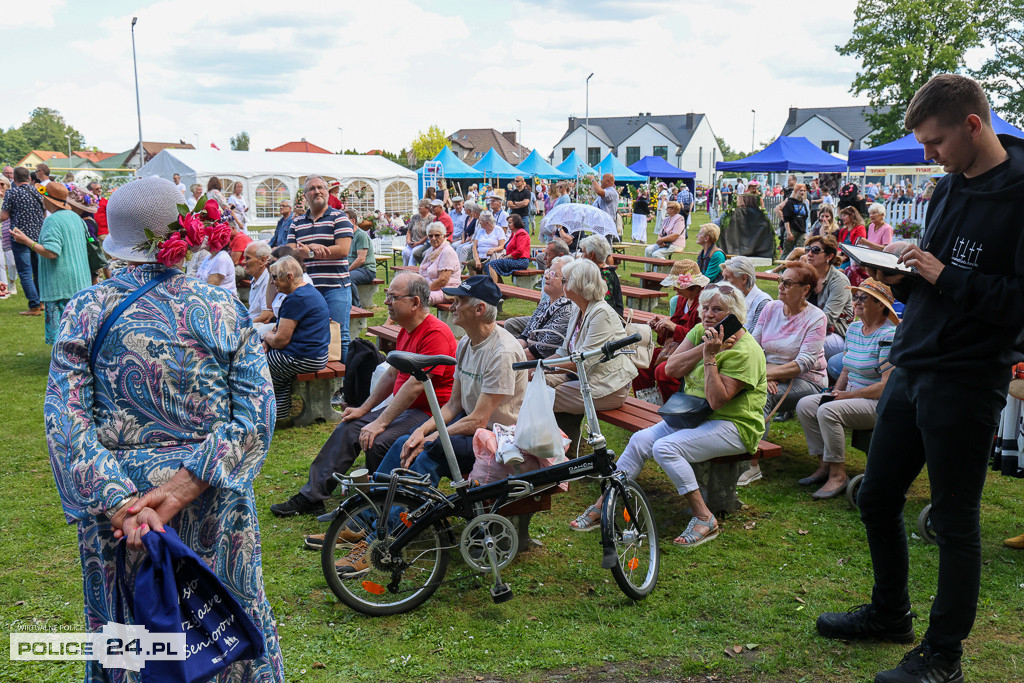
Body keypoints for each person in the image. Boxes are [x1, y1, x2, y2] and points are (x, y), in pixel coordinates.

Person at [816, 74, 1024, 683]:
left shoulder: (1018, 195)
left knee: (955, 520)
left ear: (973, 125)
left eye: (935, 143)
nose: (929, 157)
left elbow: (1016, 304)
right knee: (878, 496)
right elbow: (938, 272)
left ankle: (945, 656)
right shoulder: (948, 189)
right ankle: (890, 613)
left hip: (967, 375)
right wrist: (904, 274)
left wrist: (940, 275)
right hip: (915, 361)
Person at [45, 176, 283, 680]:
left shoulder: (87, 310)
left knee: (130, 639)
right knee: (222, 627)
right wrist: (184, 485)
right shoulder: (222, 309)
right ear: (190, 234)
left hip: (122, 517)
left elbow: (66, 419)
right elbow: (257, 413)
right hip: (211, 501)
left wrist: (120, 503)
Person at [570, 283, 767, 547]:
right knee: (640, 440)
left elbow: (717, 400)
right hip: (696, 417)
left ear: (735, 315)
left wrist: (710, 358)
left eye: (717, 309)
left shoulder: (747, 351)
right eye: (705, 307)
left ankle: (704, 517)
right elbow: (669, 369)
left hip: (735, 425)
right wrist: (705, 349)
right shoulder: (701, 333)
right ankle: (603, 505)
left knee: (665, 448)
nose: (708, 314)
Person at [271, 273, 456, 518]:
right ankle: (312, 496)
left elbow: (415, 387)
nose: (387, 301)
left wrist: (380, 422)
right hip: (409, 409)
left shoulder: (436, 334)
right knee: (349, 427)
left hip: (429, 412)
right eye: (387, 295)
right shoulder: (406, 330)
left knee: (378, 441)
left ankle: (375, 509)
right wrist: (364, 410)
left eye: (393, 297)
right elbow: (391, 376)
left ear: (415, 302)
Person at [796, 278, 897, 500]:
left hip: (876, 403)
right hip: (850, 394)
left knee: (828, 410)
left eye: (863, 298)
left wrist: (845, 396)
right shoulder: (854, 329)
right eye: (855, 297)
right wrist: (834, 393)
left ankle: (838, 474)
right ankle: (824, 463)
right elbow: (845, 369)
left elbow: (885, 386)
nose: (856, 302)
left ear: (881, 306)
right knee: (806, 405)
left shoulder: (888, 335)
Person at [741, 261, 827, 486]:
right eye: (781, 281)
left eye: (788, 283)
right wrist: (765, 373)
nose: (781, 286)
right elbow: (753, 344)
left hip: (806, 380)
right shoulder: (771, 308)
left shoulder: (816, 318)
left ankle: (751, 463)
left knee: (762, 395)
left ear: (805, 289)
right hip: (767, 373)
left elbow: (805, 363)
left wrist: (766, 376)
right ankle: (731, 446)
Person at [549, 259, 638, 440]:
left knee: (542, 395)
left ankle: (555, 446)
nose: (562, 283)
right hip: (583, 377)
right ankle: (557, 445)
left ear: (577, 284)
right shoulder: (578, 309)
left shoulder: (601, 313)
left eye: (565, 280)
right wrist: (537, 368)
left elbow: (583, 361)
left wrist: (543, 368)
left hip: (607, 386)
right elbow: (564, 352)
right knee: (532, 383)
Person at [9, 182, 94, 343]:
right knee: (79, 331)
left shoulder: (53, 220)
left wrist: (26, 241)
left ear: (48, 200)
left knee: (62, 336)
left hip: (60, 286)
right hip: (80, 283)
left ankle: (63, 363)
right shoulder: (76, 218)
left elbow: (51, 252)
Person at [288, 175, 353, 362]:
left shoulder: (339, 218)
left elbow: (342, 249)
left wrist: (309, 252)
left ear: (327, 191)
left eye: (321, 187)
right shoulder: (296, 222)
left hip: (335, 287)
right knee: (310, 334)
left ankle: (345, 385)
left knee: (340, 335)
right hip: (306, 289)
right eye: (311, 189)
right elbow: (290, 252)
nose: (317, 191)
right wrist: (314, 249)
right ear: (305, 195)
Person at [263, 255, 330, 423]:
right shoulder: (307, 291)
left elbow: (280, 341)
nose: (273, 282)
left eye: (275, 277)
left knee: (257, 364)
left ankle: (271, 414)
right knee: (274, 366)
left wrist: (265, 336)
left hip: (304, 357)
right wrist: (269, 340)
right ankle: (280, 414)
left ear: (289, 277)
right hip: (315, 355)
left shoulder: (296, 298)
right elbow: (280, 328)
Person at [632, 261, 709, 402]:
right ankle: (648, 403)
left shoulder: (705, 303)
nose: (674, 288)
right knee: (641, 360)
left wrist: (674, 327)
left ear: (692, 286)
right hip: (674, 348)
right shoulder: (682, 299)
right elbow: (672, 331)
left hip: (694, 353)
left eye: (678, 285)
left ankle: (675, 406)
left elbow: (700, 338)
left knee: (663, 371)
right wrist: (661, 329)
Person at [502, 239, 572, 336]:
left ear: (560, 256)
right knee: (511, 324)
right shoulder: (548, 273)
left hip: (551, 320)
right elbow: (542, 305)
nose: (544, 258)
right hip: (542, 313)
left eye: (548, 255)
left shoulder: (566, 277)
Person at [1, 166, 46, 315]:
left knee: (25, 272)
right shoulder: (38, 192)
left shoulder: (12, 193)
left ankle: (34, 306)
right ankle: (41, 301)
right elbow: (44, 213)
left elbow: (4, 216)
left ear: (14, 178)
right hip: (38, 237)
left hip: (19, 237)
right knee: (38, 271)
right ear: (29, 178)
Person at [803, 235, 854, 361]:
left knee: (802, 344)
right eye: (807, 249)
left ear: (829, 256)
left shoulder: (839, 281)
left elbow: (827, 319)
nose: (809, 254)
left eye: (815, 250)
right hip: (807, 330)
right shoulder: (807, 276)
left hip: (836, 335)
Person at [514, 255, 574, 359]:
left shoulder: (567, 310)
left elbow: (540, 351)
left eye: (553, 274)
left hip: (543, 363)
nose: (546, 277)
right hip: (529, 355)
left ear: (567, 281)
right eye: (547, 272)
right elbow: (525, 335)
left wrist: (511, 357)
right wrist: (512, 350)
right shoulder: (546, 303)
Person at [721, 255, 773, 332]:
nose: (723, 282)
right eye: (723, 277)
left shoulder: (762, 303)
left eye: (728, 278)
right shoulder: (732, 298)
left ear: (744, 279)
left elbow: (754, 338)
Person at [579, 234, 623, 316]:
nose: (582, 256)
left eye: (584, 252)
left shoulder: (600, 276)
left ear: (592, 255)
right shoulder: (610, 272)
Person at [419, 221, 461, 303]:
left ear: (444, 236)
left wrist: (424, 290)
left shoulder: (447, 251)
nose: (433, 238)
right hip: (433, 288)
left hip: (447, 291)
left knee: (417, 299)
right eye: (430, 236)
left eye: (437, 235)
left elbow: (443, 280)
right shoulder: (431, 250)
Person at [484, 213, 531, 283]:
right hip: (514, 259)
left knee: (491, 265)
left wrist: (507, 257)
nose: (508, 225)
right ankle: (499, 288)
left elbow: (519, 251)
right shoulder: (513, 234)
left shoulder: (521, 233)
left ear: (516, 222)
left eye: (510, 223)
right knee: (488, 265)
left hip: (520, 261)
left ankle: (495, 289)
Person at [197, 223, 238, 297]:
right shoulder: (208, 258)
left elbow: (210, 289)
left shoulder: (222, 258)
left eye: (206, 235)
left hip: (221, 302)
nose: (203, 238)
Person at [347, 216, 376, 307]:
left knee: (348, 278)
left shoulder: (361, 235)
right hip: (356, 269)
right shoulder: (347, 235)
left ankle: (356, 307)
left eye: (345, 219)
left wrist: (347, 270)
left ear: (353, 221)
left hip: (366, 270)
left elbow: (361, 259)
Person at [469, 210, 506, 275]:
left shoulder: (498, 230)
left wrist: (494, 249)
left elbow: (502, 246)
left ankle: (484, 283)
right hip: (480, 257)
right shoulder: (480, 231)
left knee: (486, 266)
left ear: (488, 222)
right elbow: (474, 247)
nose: (479, 222)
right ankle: (474, 283)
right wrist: (477, 260)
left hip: (491, 258)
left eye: (481, 221)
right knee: (471, 264)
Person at [776, 183, 810, 254]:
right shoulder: (789, 202)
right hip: (792, 230)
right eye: (800, 191)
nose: (802, 192)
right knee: (787, 252)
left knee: (801, 251)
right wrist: (788, 232)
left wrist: (805, 232)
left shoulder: (803, 204)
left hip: (801, 231)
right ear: (795, 191)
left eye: (804, 191)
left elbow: (805, 218)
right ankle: (782, 264)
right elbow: (786, 219)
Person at [243, 241, 272, 322]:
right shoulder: (255, 279)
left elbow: (265, 317)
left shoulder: (268, 281)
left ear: (263, 260)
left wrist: (244, 327)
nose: (243, 262)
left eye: (248, 258)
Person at [402, 199, 431, 266]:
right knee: (405, 252)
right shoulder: (415, 217)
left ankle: (411, 272)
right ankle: (404, 271)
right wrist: (408, 241)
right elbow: (409, 231)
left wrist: (418, 243)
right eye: (419, 205)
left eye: (421, 206)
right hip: (412, 243)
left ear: (427, 208)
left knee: (414, 252)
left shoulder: (431, 218)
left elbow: (429, 234)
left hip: (423, 244)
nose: (419, 207)